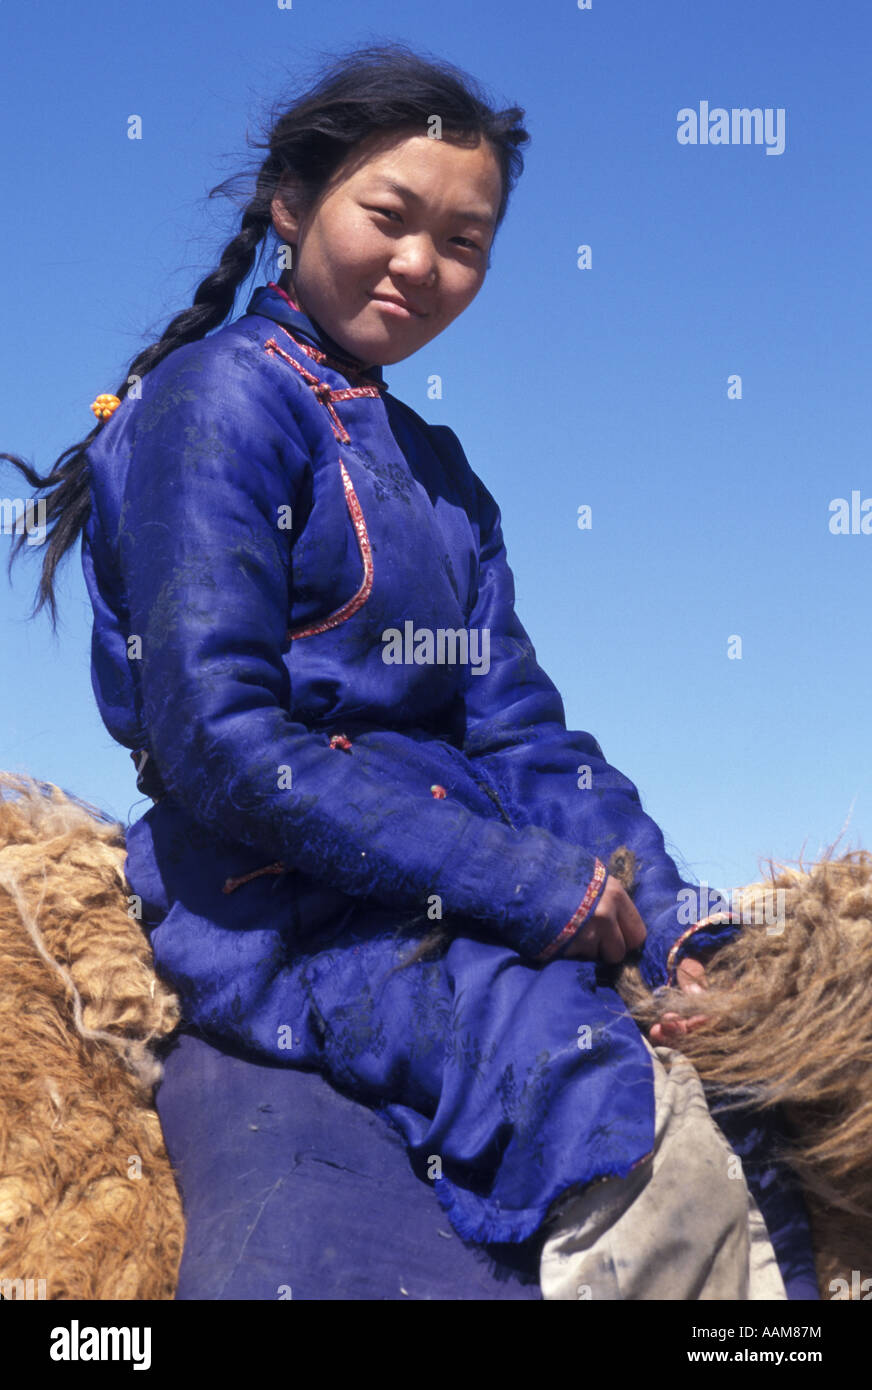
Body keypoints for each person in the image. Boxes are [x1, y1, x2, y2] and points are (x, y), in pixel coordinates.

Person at [2, 42, 819, 1300]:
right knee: (644, 1147)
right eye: (391, 216)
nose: (420, 264)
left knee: (761, 1114)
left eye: (465, 242)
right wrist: (528, 884)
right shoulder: (215, 403)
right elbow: (223, 739)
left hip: (460, 894)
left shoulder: (440, 474)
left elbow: (524, 736)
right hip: (287, 900)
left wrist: (669, 919)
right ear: (290, 201)